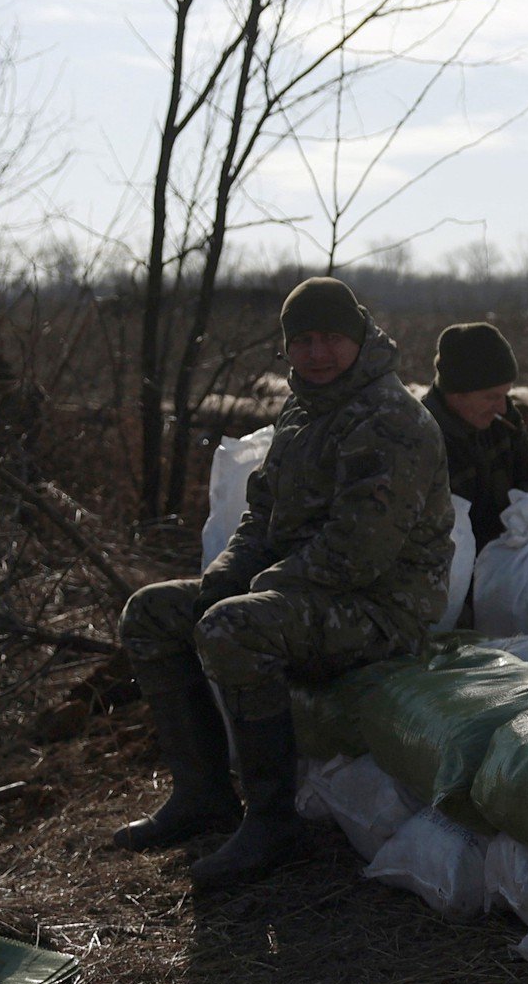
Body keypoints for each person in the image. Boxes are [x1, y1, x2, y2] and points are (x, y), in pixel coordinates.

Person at [117, 277, 454, 886]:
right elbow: (262, 514)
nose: (317, 353)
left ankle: (271, 821)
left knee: (233, 628)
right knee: (150, 613)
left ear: (358, 338)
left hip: (379, 609)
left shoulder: (391, 420)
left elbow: (357, 555)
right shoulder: (304, 408)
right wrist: (226, 574)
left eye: (330, 338)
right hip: (302, 593)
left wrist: (257, 591)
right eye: (302, 341)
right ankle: (202, 795)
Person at [424, 321, 528, 552]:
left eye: (505, 395)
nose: (501, 408)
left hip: (511, 552)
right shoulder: (421, 438)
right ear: (457, 394)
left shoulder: (504, 420)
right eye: (491, 397)